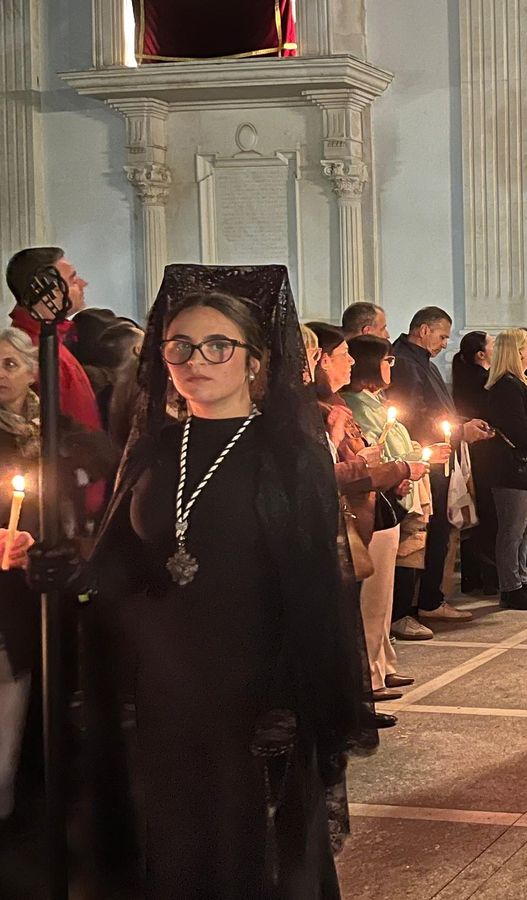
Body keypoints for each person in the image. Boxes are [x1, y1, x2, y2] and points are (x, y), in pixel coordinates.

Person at [81, 267, 366, 896]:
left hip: (254, 687)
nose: (195, 360)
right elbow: (126, 566)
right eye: (179, 345)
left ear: (256, 361)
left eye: (217, 345)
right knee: (179, 844)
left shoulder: (285, 450)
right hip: (168, 687)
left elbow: (316, 586)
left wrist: (290, 696)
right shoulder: (159, 445)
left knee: (257, 855)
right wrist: (56, 569)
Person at [0, 325, 113, 878]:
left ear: (30, 371)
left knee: (43, 696)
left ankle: (38, 812)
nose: (1, 375)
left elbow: (103, 457)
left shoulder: (53, 429)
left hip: (49, 584)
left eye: (10, 364)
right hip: (7, 591)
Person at [311, 323, 418, 714]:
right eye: (343, 355)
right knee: (357, 612)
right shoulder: (321, 410)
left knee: (375, 606)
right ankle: (361, 684)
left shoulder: (337, 405)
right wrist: (397, 468)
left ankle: (373, 671)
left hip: (370, 509)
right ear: (318, 361)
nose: (352, 361)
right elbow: (329, 471)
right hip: (347, 515)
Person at [388, 306, 483, 626]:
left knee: (439, 529)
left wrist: (460, 422)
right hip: (422, 458)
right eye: (442, 336)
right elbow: (413, 414)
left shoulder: (419, 360)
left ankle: (431, 599)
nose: (445, 343)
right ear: (424, 330)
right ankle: (412, 606)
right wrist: (459, 431)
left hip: (435, 454)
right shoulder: (405, 362)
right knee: (419, 533)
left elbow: (434, 407)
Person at [340, 335, 436, 646]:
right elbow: (372, 456)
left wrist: (419, 456)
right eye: (387, 360)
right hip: (369, 501)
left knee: (386, 585)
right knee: (374, 590)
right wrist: (404, 467)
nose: (391, 366)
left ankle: (381, 658)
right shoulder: (352, 407)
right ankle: (373, 663)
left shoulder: (376, 403)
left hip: (392, 491)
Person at [483, 329, 527, 611]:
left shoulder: (525, 382)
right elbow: (517, 427)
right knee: (512, 530)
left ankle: (521, 581)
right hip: (512, 468)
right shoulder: (505, 386)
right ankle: (510, 587)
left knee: (526, 529)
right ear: (515, 352)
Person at [3, 248, 102, 433]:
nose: (83, 283)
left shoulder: (54, 339)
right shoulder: (29, 353)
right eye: (72, 279)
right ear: (45, 289)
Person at [451, 331, 499, 595]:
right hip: (483, 452)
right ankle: (488, 576)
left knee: (476, 516)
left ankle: (473, 576)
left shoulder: (466, 376)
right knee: (487, 517)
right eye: (492, 345)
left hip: (474, 451)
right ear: (481, 354)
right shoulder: (482, 380)